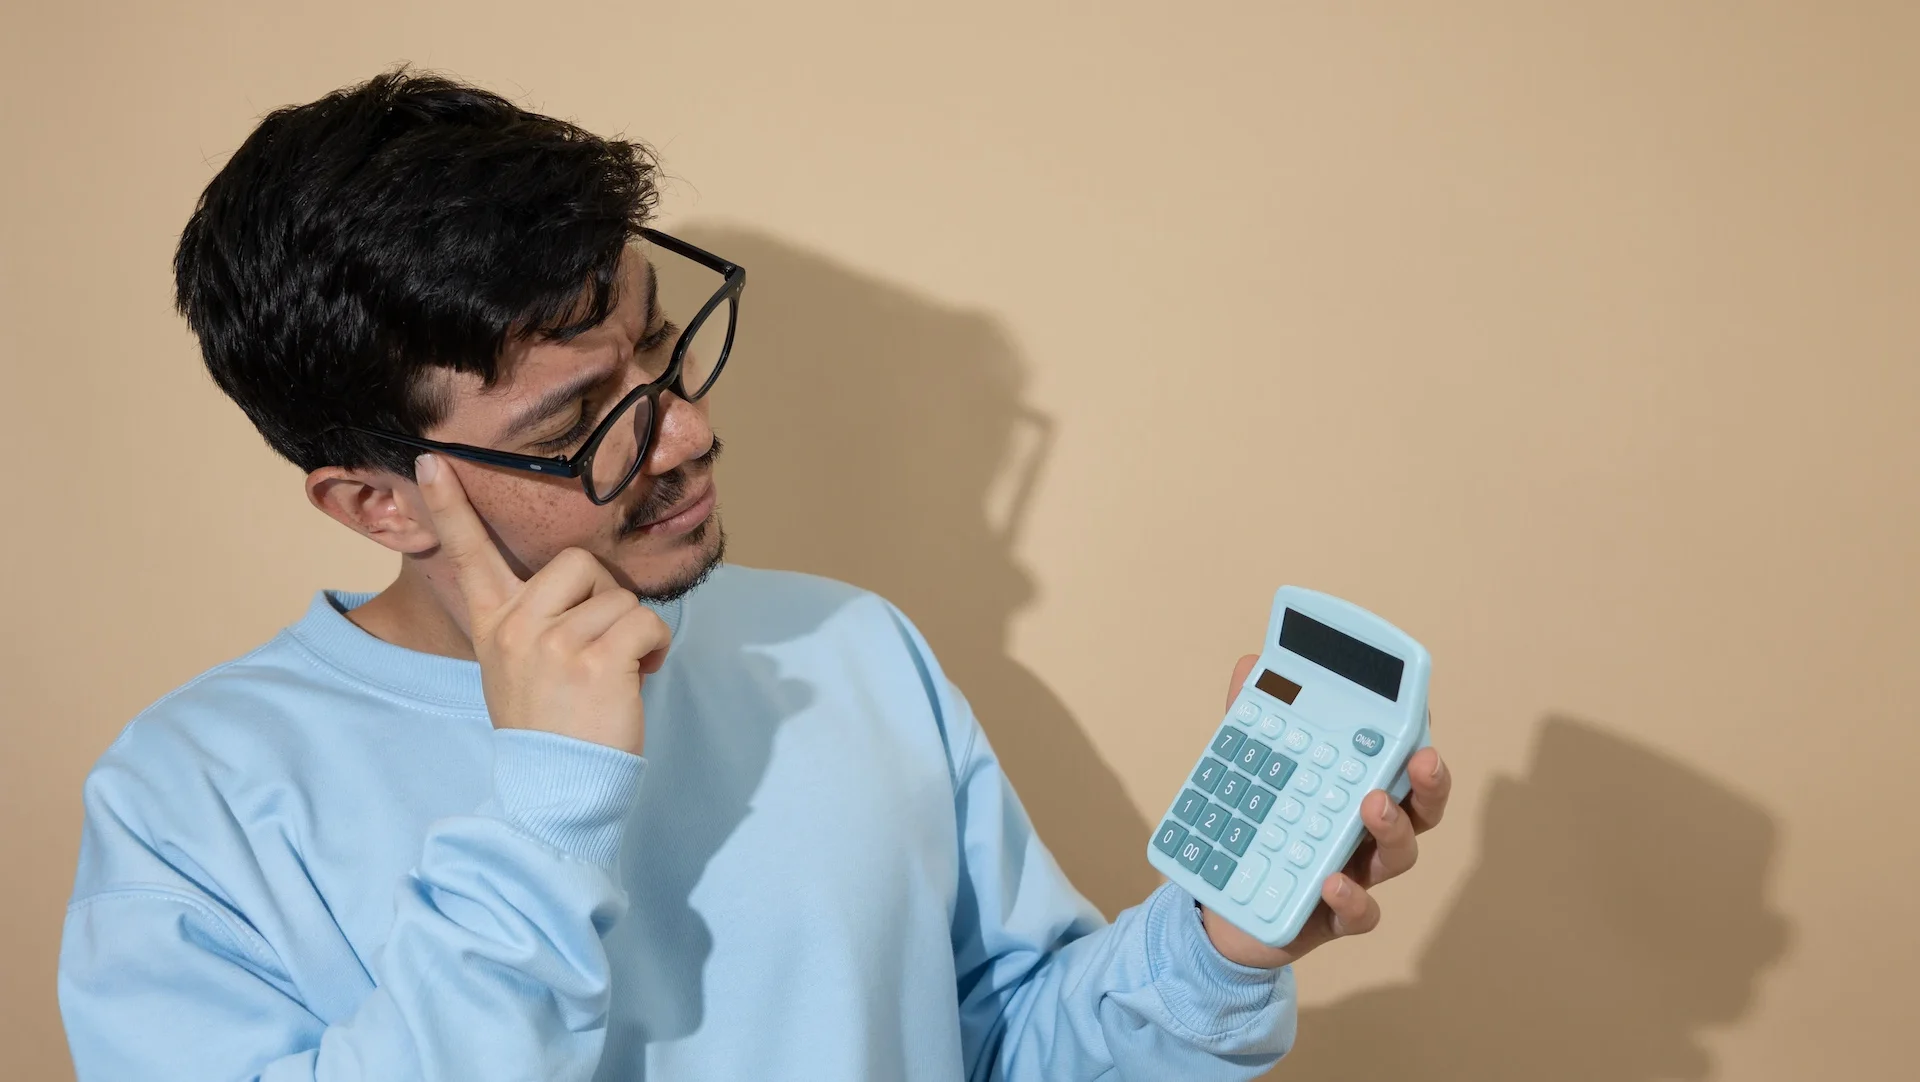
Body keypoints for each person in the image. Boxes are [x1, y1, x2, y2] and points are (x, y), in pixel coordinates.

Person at [56, 69, 1451, 1081]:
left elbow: (1012, 1047)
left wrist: (1220, 942)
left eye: (662, 347)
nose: (686, 432)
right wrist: (544, 817)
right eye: (579, 421)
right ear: (376, 502)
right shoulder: (191, 801)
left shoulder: (847, 647)